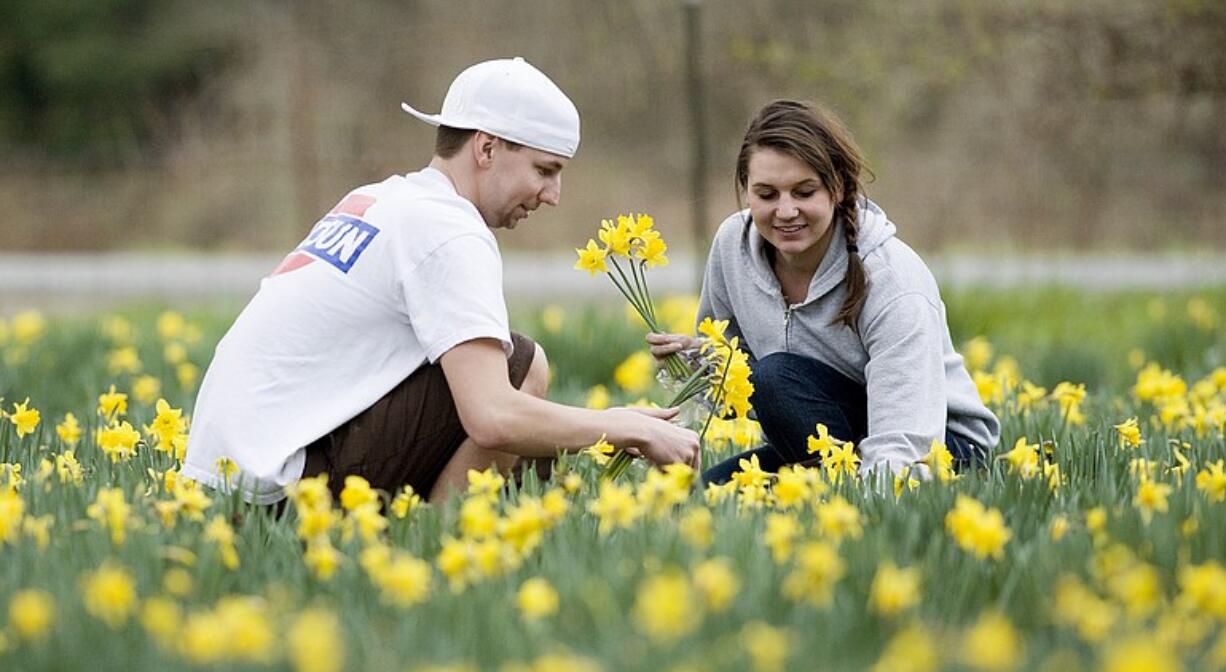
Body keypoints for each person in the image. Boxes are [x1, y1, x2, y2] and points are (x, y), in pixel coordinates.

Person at [183, 57, 700, 506]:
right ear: (487, 148)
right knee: (521, 365)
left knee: (495, 371)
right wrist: (627, 426)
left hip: (220, 485)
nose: (553, 195)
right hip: (277, 495)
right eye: (545, 170)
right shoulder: (447, 229)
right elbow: (493, 418)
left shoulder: (382, 200)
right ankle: (434, 545)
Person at [647, 99, 999, 484]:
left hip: (938, 447)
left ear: (839, 188)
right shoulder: (733, 245)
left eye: (803, 192)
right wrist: (697, 367)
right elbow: (737, 390)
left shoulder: (892, 281)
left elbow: (906, 439)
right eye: (766, 195)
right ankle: (824, 483)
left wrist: (858, 508)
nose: (784, 211)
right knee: (707, 493)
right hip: (832, 435)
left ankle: (833, 489)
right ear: (745, 190)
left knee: (775, 377)